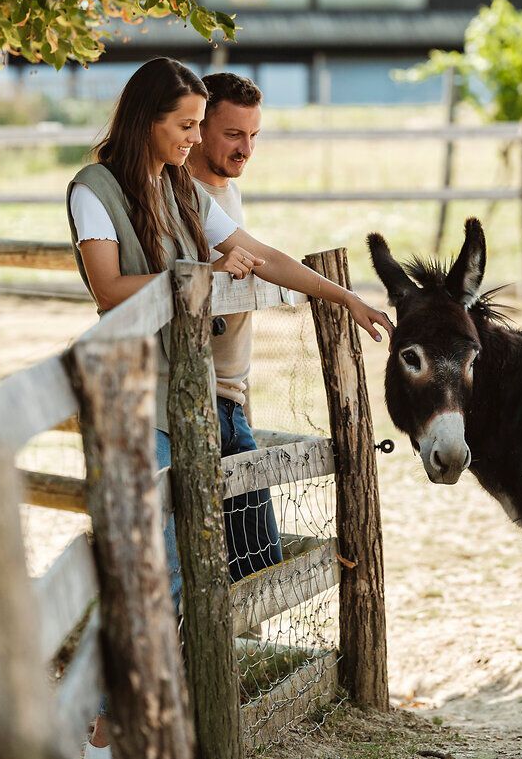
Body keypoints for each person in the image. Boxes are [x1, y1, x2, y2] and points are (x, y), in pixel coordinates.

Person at [70, 57, 390, 752]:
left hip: (187, 404)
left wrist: (342, 296)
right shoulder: (95, 188)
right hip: (134, 405)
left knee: (190, 570)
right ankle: (101, 726)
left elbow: (260, 253)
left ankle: (143, 718)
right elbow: (107, 288)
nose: (193, 137)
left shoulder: (182, 190)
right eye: (184, 125)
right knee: (152, 570)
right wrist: (202, 277)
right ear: (145, 120)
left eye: (195, 125)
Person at [187, 71, 281, 580]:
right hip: (202, 402)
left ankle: (247, 658)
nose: (246, 149)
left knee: (252, 562)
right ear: (199, 128)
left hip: (232, 398)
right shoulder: (185, 196)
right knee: (247, 563)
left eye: (253, 136)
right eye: (232, 134)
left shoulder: (225, 191)